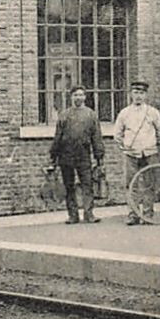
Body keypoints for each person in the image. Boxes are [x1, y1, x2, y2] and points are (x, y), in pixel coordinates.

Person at [50, 86, 103, 224]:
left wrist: (99, 157)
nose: (78, 98)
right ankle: (73, 215)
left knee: (87, 184)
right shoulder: (64, 115)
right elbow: (58, 137)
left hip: (83, 155)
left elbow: (96, 137)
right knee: (69, 185)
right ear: (71, 97)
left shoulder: (91, 115)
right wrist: (53, 156)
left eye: (81, 95)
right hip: (66, 155)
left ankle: (89, 214)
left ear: (85, 97)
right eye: (75, 95)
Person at [114, 81, 160, 225]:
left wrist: (152, 145)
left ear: (146, 95)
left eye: (141, 93)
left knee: (149, 183)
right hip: (131, 153)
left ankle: (148, 214)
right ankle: (133, 214)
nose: (138, 96)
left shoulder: (152, 112)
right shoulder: (124, 113)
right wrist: (125, 147)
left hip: (149, 153)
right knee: (131, 184)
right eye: (135, 93)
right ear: (131, 94)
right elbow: (117, 134)